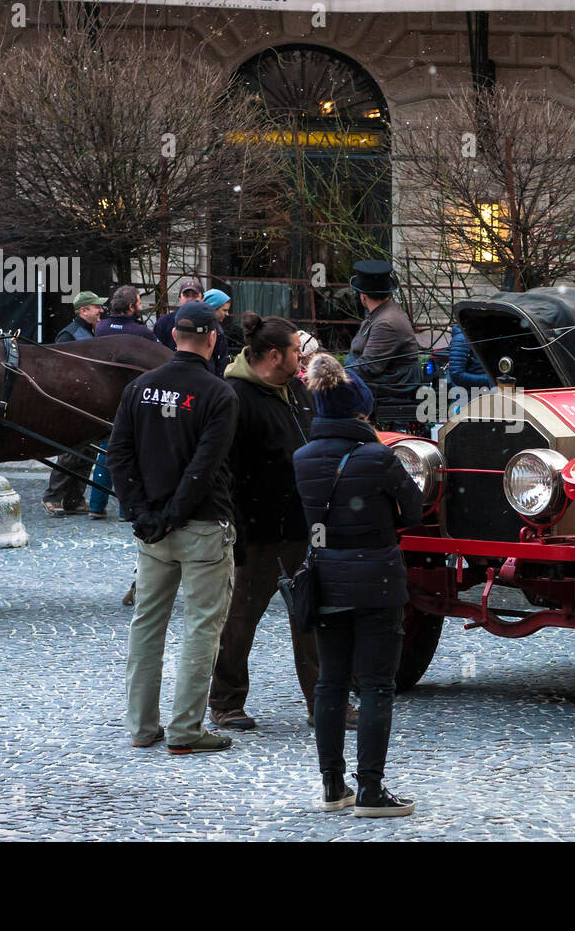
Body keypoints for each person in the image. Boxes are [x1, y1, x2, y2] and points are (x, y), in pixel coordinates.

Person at [294, 353, 424, 816]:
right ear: (361, 413)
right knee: (376, 686)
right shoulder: (378, 457)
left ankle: (332, 786)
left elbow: (307, 521)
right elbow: (414, 510)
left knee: (331, 683)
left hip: (327, 577)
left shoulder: (303, 458)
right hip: (378, 581)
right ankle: (370, 790)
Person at [107, 300, 238, 754]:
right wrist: (172, 514)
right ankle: (186, 729)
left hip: (154, 533)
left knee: (147, 626)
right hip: (201, 526)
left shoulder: (140, 387)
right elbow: (205, 466)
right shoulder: (219, 393)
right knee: (202, 627)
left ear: (172, 336)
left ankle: (142, 726)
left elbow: (119, 455)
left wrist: (141, 514)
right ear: (211, 339)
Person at [209, 313, 336, 731]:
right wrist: (236, 527)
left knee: (310, 613)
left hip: (301, 523)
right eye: (298, 350)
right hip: (256, 527)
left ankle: (323, 702)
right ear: (275, 354)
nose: (304, 358)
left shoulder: (297, 391)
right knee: (243, 615)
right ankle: (225, 702)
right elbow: (223, 468)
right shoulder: (235, 396)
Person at [43, 290, 110, 515]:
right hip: (74, 403)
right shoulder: (68, 335)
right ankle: (53, 497)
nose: (101, 310)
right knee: (71, 452)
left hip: (90, 402)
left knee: (88, 452)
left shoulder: (91, 331)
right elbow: (59, 370)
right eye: (96, 307)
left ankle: (75, 498)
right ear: (83, 310)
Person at [343, 260, 421, 400]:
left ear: (363, 296)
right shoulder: (382, 313)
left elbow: (369, 367)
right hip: (385, 381)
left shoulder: (385, 322)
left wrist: (333, 376)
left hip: (392, 387)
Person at [154, 277, 205, 350]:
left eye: (195, 295)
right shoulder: (164, 323)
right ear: (179, 298)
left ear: (202, 298)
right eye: (186, 295)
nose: (190, 299)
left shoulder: (209, 323)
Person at [94, 286, 159, 342]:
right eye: (139, 304)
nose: (140, 307)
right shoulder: (143, 333)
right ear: (131, 307)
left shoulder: (100, 327)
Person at [447, 324, 491, 390]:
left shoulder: (481, 335)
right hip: (467, 396)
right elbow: (457, 375)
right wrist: (491, 380)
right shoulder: (461, 339)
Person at [202, 289, 233, 374]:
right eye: (224, 310)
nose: (227, 314)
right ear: (213, 308)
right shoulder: (213, 330)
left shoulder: (217, 329)